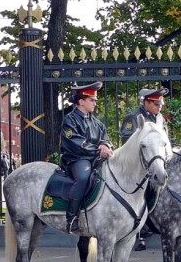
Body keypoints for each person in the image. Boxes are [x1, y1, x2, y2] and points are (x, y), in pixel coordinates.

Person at [61, 82, 114, 233]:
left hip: (95, 158)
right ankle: (71, 219)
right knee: (83, 178)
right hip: (77, 159)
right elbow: (75, 143)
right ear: (81, 101)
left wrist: (105, 145)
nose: (95, 103)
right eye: (92, 100)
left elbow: (105, 138)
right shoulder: (70, 120)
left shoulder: (96, 122)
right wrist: (98, 150)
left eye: (95, 100)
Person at [120, 87, 169, 250]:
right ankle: (141, 230)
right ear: (146, 102)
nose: (159, 106)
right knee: (144, 191)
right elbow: (128, 141)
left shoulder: (160, 119)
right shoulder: (133, 118)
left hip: (156, 162)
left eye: (160, 103)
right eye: (156, 103)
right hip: (137, 166)